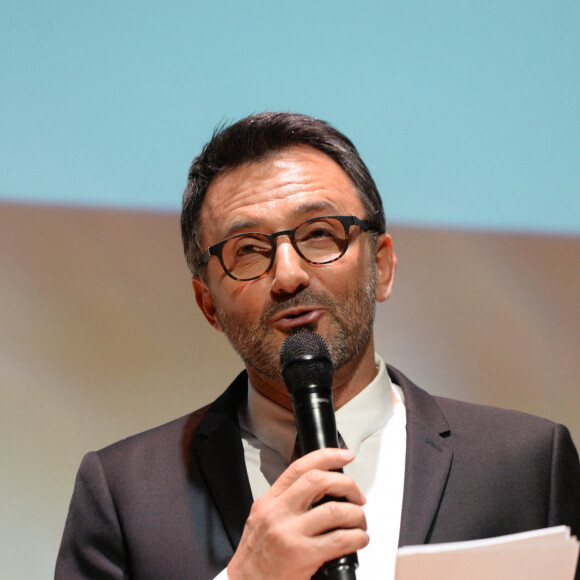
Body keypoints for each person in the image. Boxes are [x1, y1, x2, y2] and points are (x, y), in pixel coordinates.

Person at [56, 112, 580, 580]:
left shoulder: (523, 462)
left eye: (320, 234)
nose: (288, 274)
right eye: (248, 250)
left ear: (381, 265)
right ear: (207, 304)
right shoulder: (125, 492)